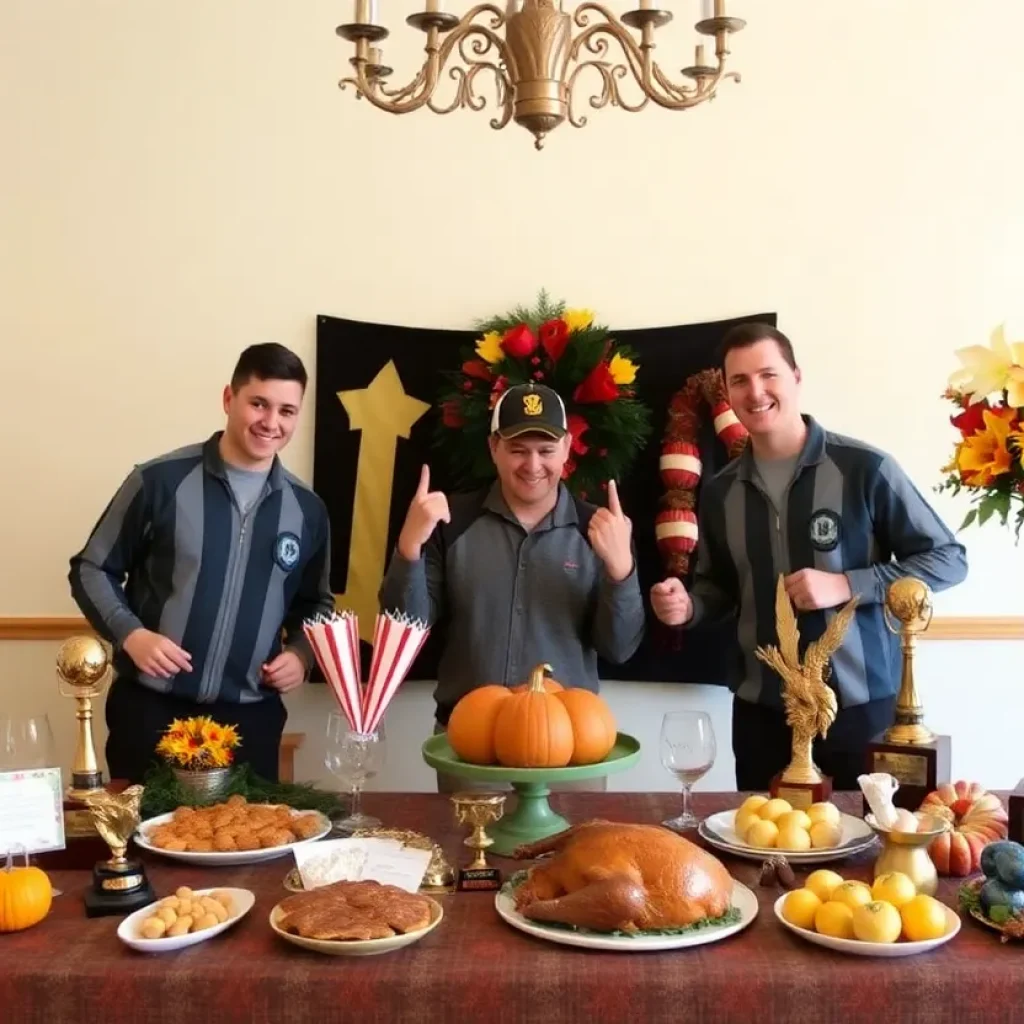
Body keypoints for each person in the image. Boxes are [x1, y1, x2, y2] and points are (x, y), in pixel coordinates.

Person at [650, 323, 968, 792]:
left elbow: (949, 559)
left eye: (768, 374)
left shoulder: (865, 469)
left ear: (796, 377)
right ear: (727, 391)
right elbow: (717, 588)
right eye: (739, 380)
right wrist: (688, 606)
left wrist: (848, 585)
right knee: (762, 851)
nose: (755, 391)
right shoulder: (719, 493)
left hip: (860, 713)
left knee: (867, 854)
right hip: (762, 718)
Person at [69, 343, 335, 783]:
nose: (271, 422)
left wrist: (301, 655)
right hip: (152, 711)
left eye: (287, 410)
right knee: (141, 846)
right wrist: (130, 634)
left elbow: (317, 604)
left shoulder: (307, 509)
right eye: (258, 404)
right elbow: (91, 568)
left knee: (248, 846)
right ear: (229, 399)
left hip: (251, 720)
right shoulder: (158, 481)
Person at [379, 382, 646, 791]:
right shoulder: (450, 522)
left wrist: (620, 570)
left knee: (573, 856)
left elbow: (620, 648)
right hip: (469, 744)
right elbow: (405, 633)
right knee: (468, 855)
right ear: (494, 448)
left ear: (568, 448)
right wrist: (409, 546)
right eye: (518, 449)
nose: (533, 464)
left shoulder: (599, 529)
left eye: (546, 450)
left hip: (570, 748)